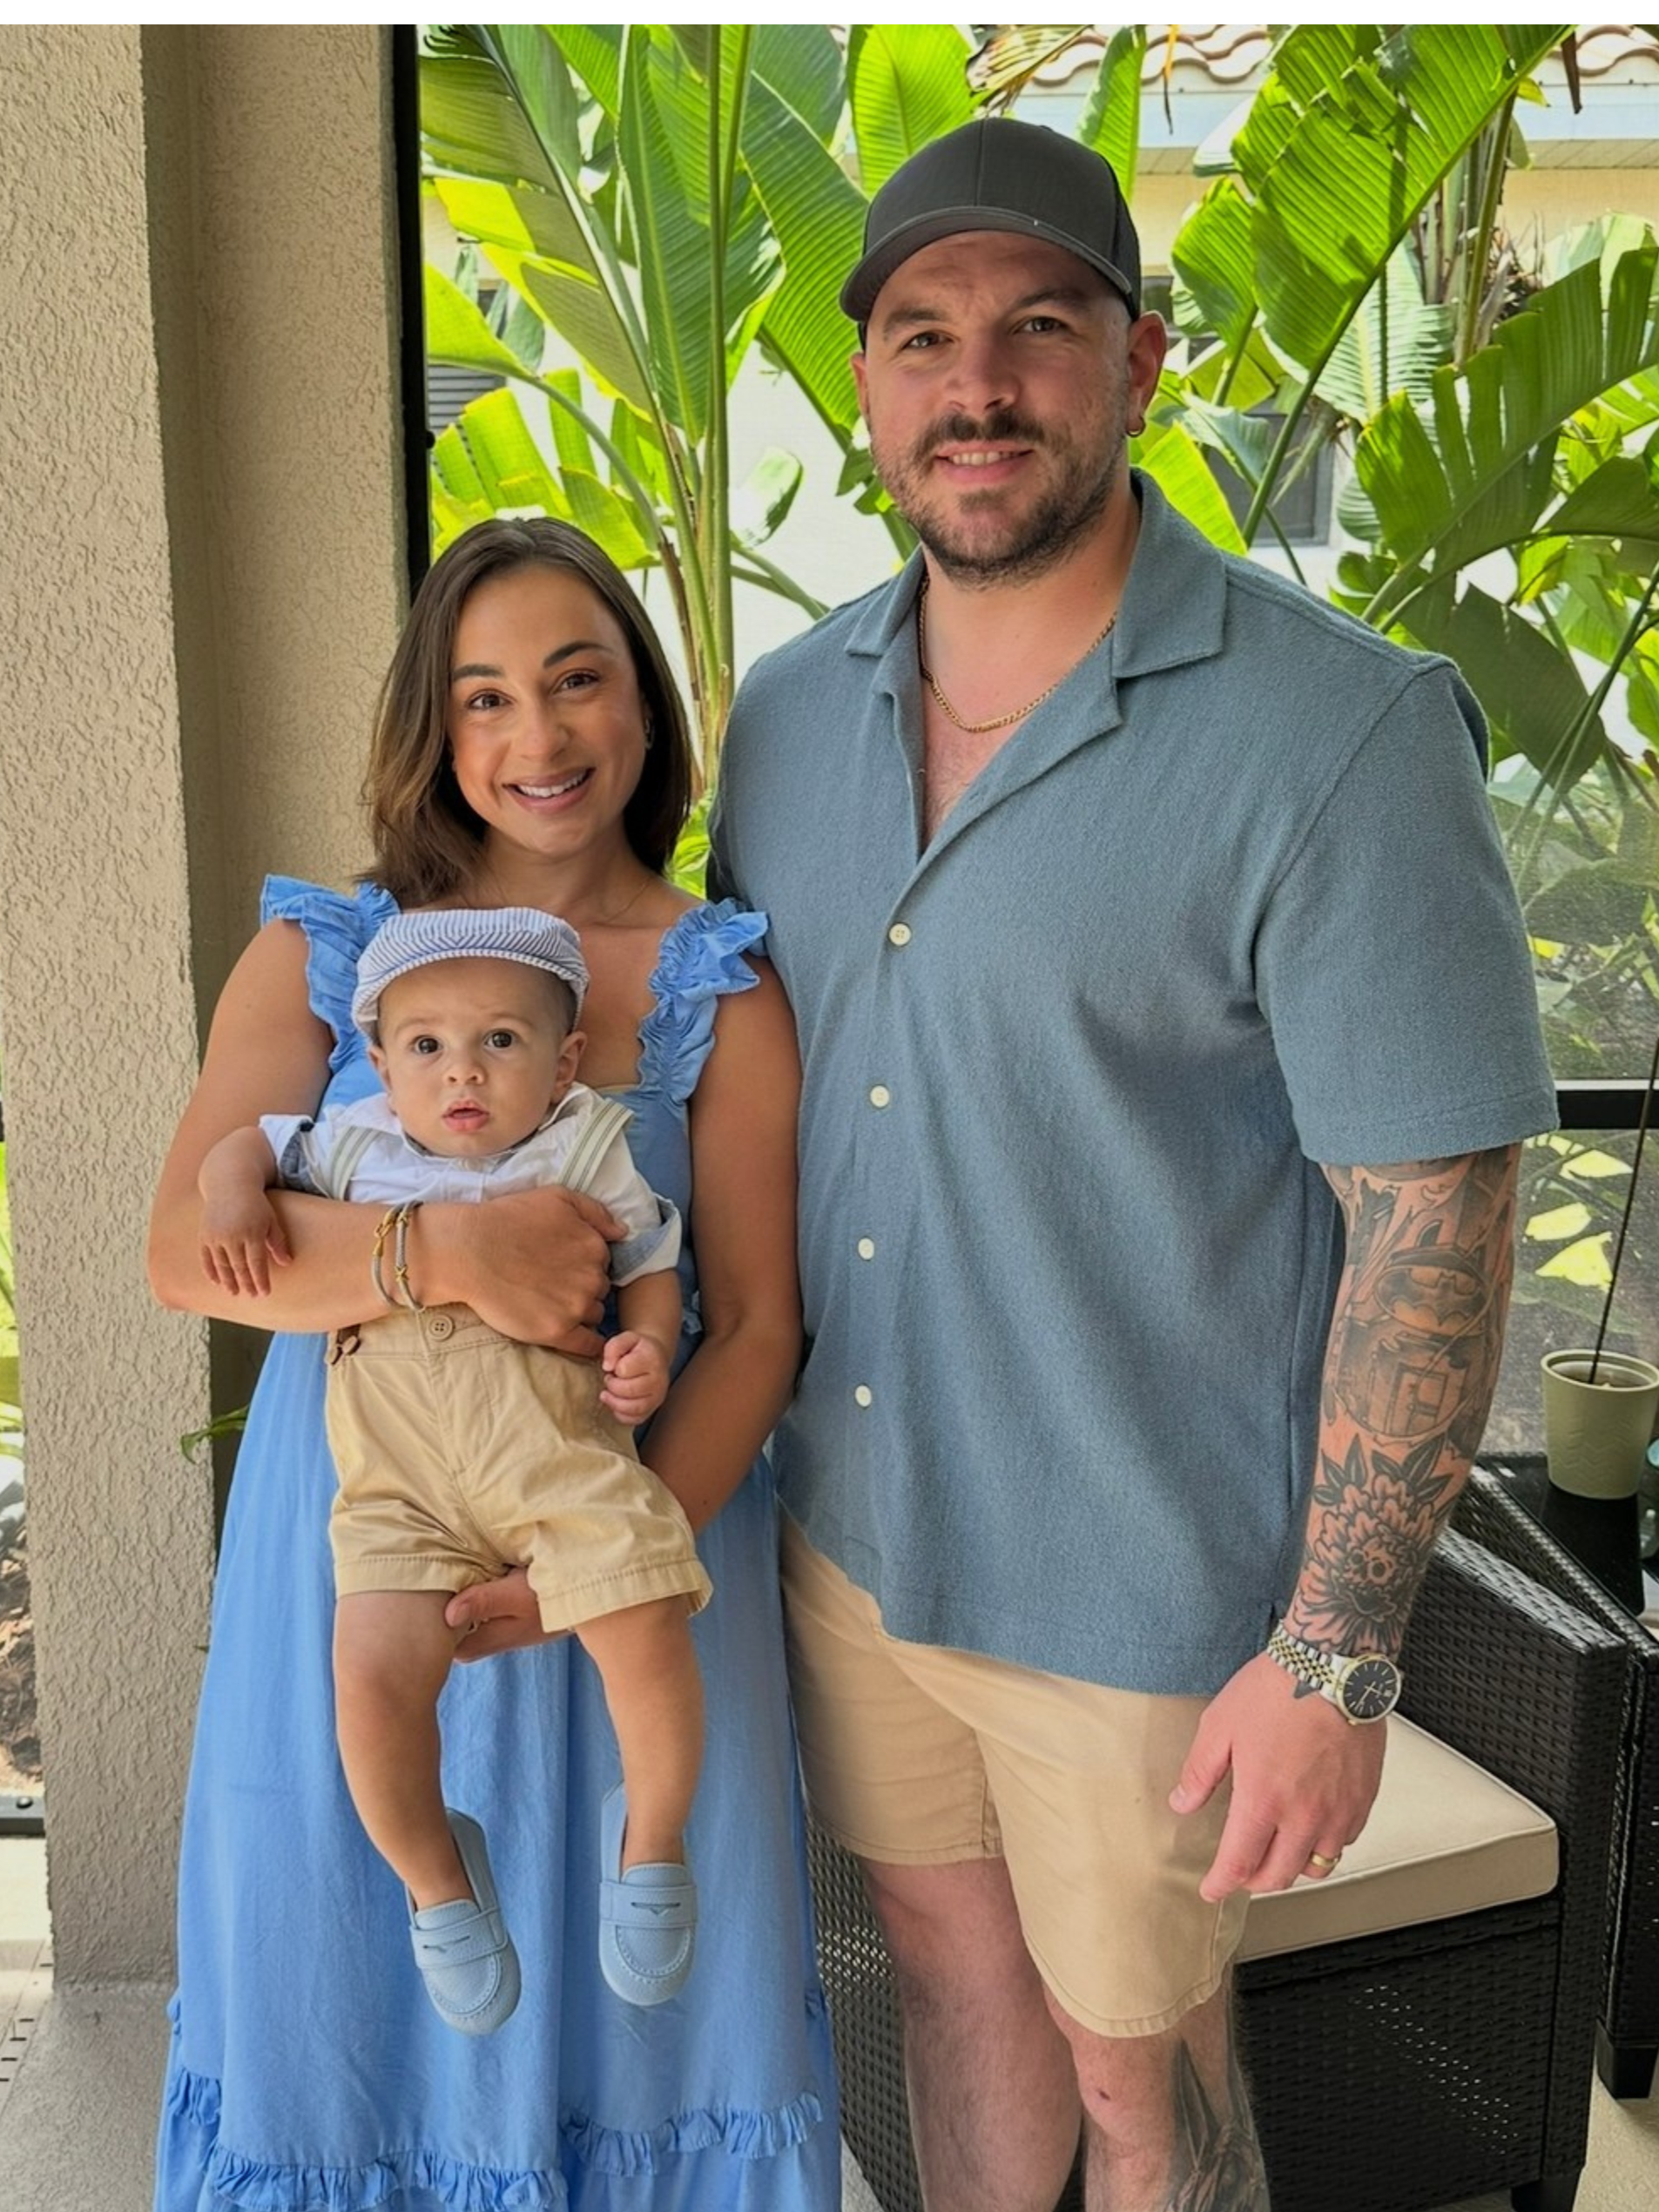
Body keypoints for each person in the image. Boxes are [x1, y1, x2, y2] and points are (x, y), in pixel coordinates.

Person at [705, 117, 1559, 2210]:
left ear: (1141, 358)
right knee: (947, 1980)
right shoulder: (787, 715)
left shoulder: (1340, 733)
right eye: (923, 338)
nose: (976, 386)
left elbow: (1433, 1219)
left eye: (1038, 327)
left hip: (1139, 1590)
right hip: (852, 1537)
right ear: (865, 385)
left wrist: (1336, 1647)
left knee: (1142, 2079)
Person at [146, 519, 840, 2209]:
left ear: (644, 704)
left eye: (576, 679)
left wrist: (606, 1554)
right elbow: (182, 1249)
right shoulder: (331, 958)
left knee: (645, 2005)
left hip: (629, 1543)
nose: (538, 735)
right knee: (347, 1983)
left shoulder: (722, 986)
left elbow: (757, 1322)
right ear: (433, 727)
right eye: (484, 696)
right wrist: (438, 1254)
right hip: (360, 1542)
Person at [196, 905, 711, 2026]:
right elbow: (242, 1146)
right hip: (399, 1491)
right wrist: (234, 1195)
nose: (461, 1070)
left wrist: (647, 1347)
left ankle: (653, 1839)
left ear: (564, 1061)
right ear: (382, 1064)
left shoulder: (583, 1139)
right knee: (371, 1685)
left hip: (562, 1462)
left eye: (501, 1041)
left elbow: (651, 1257)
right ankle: (438, 1881)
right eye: (426, 1044)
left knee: (647, 1627)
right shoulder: (352, 1140)